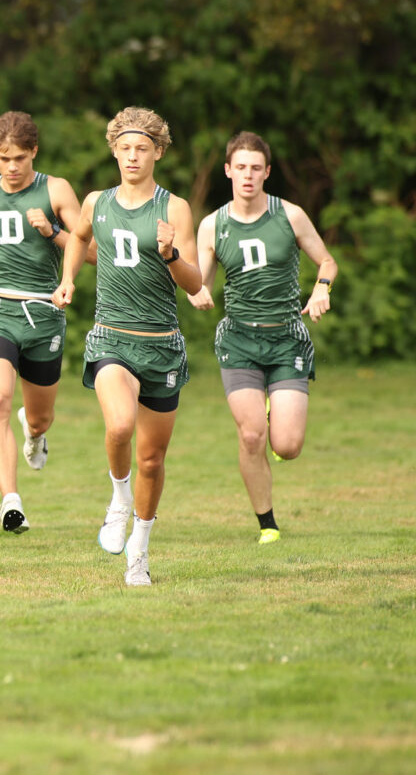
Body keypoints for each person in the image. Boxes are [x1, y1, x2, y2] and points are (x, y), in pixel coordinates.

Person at [53, 106, 202, 587]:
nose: (133, 156)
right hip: (111, 337)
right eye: (125, 148)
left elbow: (195, 281)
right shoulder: (96, 201)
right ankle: (119, 499)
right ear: (114, 152)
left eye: (142, 148)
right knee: (119, 426)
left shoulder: (174, 208)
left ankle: (139, 547)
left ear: (158, 153)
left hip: (161, 346)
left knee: (152, 461)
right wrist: (67, 280)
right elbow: (78, 238)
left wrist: (171, 254)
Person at [189, 131, 337, 544]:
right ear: (228, 171)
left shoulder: (290, 215)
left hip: (286, 340)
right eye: (241, 167)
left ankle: (275, 411)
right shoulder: (212, 225)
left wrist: (322, 288)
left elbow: (326, 261)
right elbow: (200, 282)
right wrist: (197, 293)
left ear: (267, 172)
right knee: (251, 434)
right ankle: (267, 524)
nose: (248, 175)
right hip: (238, 341)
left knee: (287, 446)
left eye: (256, 168)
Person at [0, 112, 83, 534]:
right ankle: (11, 502)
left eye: (20, 158)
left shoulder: (55, 189)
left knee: (40, 417)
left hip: (43, 314)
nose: (12, 167)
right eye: (3, 158)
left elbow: (91, 248)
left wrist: (52, 233)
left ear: (34, 152)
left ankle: (34, 433)